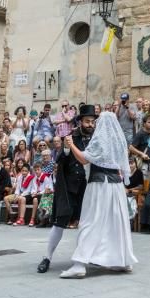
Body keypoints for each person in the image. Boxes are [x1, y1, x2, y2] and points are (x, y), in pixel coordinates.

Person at [60, 111, 137, 278]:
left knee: (90, 221)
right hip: (116, 187)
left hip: (99, 185)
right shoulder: (120, 141)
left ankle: (79, 264)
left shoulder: (99, 140)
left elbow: (84, 159)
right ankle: (123, 261)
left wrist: (71, 144)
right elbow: (124, 167)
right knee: (117, 224)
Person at [37, 104, 97, 274]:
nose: (90, 125)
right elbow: (60, 162)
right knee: (59, 223)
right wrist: (65, 148)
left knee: (87, 224)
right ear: (80, 122)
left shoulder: (97, 138)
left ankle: (83, 259)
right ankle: (47, 257)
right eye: (87, 121)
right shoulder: (70, 137)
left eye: (92, 122)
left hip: (89, 187)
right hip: (69, 186)